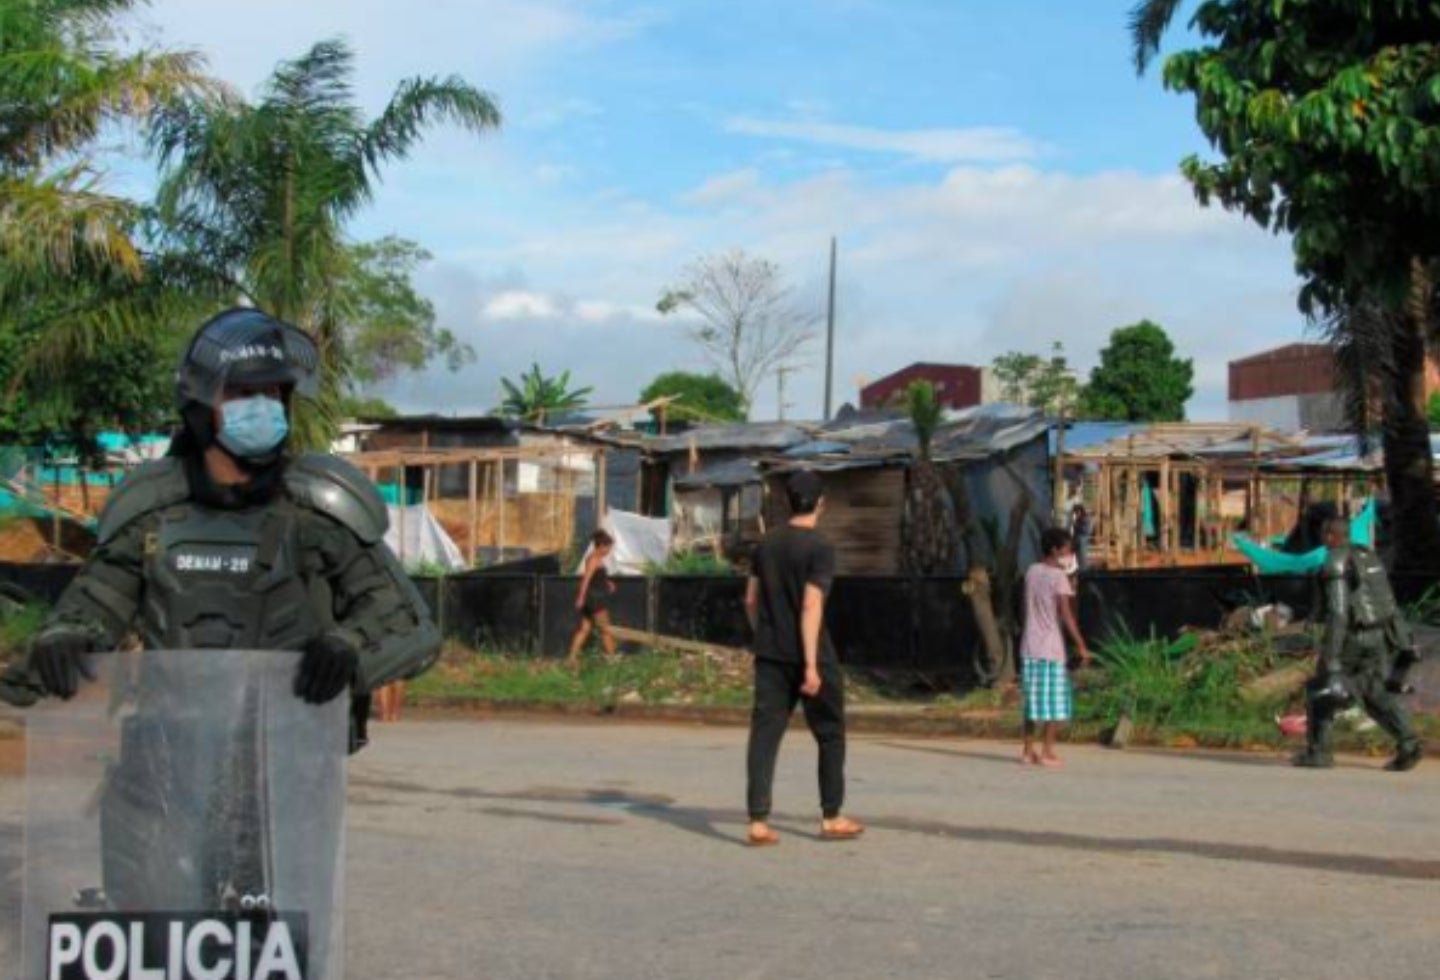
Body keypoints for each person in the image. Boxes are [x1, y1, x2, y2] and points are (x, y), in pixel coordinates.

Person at [1, 306, 441, 730]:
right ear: (199, 405)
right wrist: (62, 639)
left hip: (291, 756)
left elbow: (411, 628)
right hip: (166, 756)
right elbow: (91, 608)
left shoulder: (319, 508)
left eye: (273, 393)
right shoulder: (151, 511)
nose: (263, 406)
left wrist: (349, 648)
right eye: (244, 393)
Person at [743, 470, 863, 847]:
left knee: (765, 736)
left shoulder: (765, 545)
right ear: (821, 504)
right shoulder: (820, 547)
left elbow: (750, 599)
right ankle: (832, 816)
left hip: (770, 655)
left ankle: (758, 821)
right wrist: (810, 665)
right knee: (830, 735)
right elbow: (812, 605)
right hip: (811, 655)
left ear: (787, 502)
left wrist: (764, 634)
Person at [1293, 517, 1423, 771]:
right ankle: (1408, 743)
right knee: (1375, 692)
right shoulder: (1367, 556)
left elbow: (1338, 612)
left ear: (1330, 535)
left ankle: (1319, 753)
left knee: (1322, 690)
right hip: (1379, 635)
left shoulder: (1336, 561)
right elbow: (1386, 601)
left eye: (1324, 533)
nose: (1322, 539)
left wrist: (1332, 655)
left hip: (1351, 638)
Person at [1020, 527, 1090, 768]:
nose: (1070, 554)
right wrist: (1081, 645)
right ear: (1054, 550)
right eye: (1067, 549)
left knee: (1032, 702)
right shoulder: (1058, 577)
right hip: (1050, 648)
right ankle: (1047, 751)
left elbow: (1026, 606)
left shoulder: (1031, 571)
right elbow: (1066, 615)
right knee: (1055, 703)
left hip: (1030, 645)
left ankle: (1027, 750)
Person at [568, 529, 618, 665]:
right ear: (601, 546)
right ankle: (612, 658)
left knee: (585, 629)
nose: (609, 551)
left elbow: (596, 577)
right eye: (608, 547)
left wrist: (607, 582)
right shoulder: (594, 559)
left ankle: (571, 658)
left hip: (591, 599)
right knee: (606, 629)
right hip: (595, 600)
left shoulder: (595, 558)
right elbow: (586, 580)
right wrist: (580, 598)